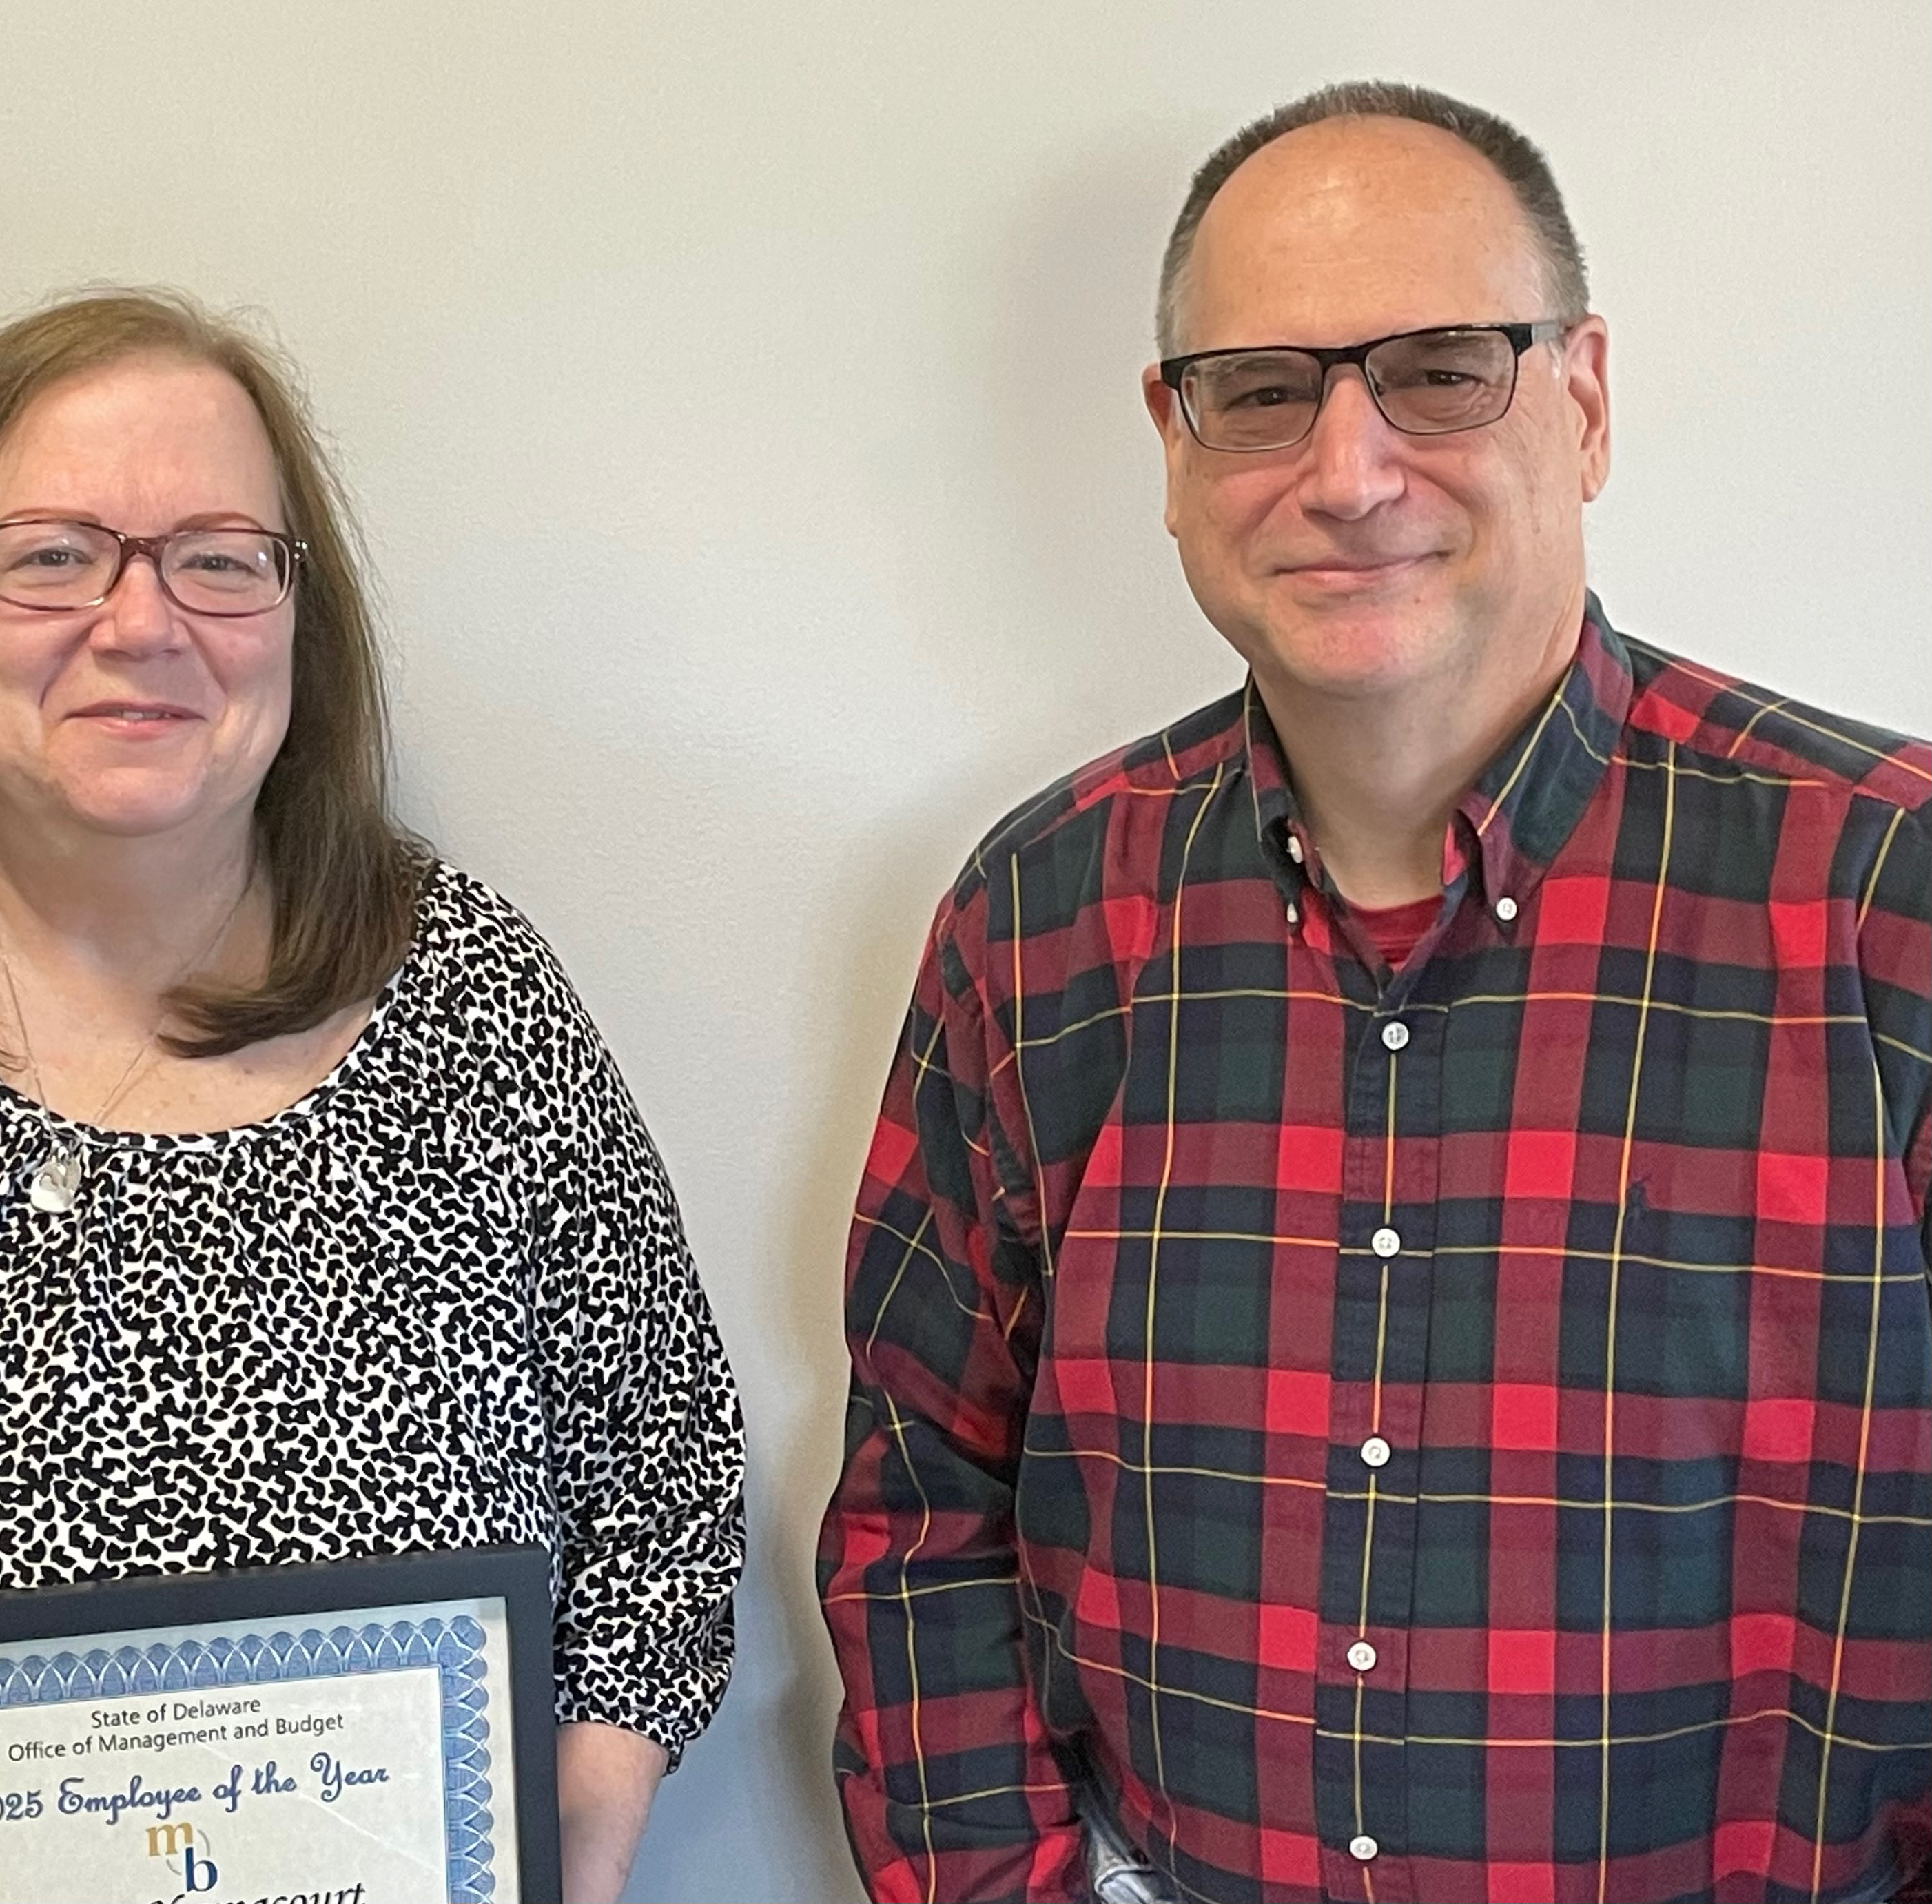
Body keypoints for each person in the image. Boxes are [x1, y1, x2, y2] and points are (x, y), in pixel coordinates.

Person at [819, 80, 1931, 1904]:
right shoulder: (1038, 923)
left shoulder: (1891, 899)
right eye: (1263, 389)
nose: (1346, 471)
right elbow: (920, 1503)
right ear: (1173, 444)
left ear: (1582, 401)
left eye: (1439, 371)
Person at [0, 288, 745, 1904]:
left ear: (296, 625)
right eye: (51, 554)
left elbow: (661, 1497)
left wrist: (560, 1868)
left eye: (218, 558)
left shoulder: (471, 997)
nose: (139, 621)